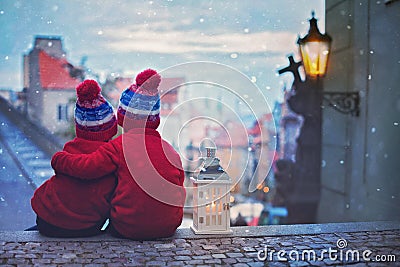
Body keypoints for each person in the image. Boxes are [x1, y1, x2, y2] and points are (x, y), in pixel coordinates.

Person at [51, 69, 186, 240]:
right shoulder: (170, 151)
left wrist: (59, 159)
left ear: (123, 117)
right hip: (168, 227)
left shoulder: (118, 146)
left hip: (129, 227)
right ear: (155, 118)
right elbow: (179, 188)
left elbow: (86, 168)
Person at [30, 80, 118, 237]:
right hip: (85, 227)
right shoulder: (110, 156)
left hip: (47, 222)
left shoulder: (69, 150)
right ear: (110, 128)